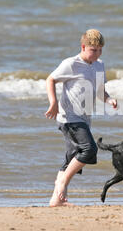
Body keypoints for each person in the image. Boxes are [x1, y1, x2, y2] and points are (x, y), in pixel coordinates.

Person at [44, 29, 117, 206]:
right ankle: (61, 183)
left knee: (72, 158)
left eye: (100, 50)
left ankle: (56, 201)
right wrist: (53, 103)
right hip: (69, 118)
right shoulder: (71, 64)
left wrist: (109, 99)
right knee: (89, 149)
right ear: (83, 47)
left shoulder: (100, 65)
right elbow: (50, 79)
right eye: (93, 50)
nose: (97, 53)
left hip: (84, 118)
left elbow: (100, 91)